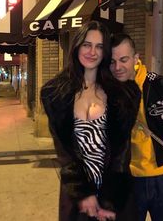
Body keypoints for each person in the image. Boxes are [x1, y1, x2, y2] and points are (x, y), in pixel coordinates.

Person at [41, 21, 141, 221]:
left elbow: (121, 154)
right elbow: (65, 154)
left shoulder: (124, 94)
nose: (92, 52)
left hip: (115, 197)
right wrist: (84, 193)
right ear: (77, 46)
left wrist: (109, 201)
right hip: (77, 199)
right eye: (87, 44)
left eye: (99, 46)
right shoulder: (55, 94)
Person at [110, 32, 163, 221]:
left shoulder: (162, 86)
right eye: (112, 61)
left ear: (136, 58)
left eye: (123, 59)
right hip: (128, 182)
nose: (118, 67)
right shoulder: (108, 93)